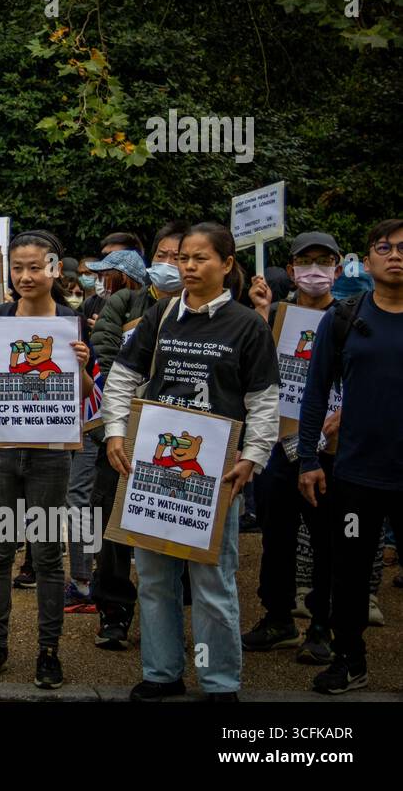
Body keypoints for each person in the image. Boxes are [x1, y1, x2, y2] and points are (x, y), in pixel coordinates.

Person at [103, 222, 279, 701]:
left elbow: (264, 401)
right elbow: (121, 378)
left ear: (227, 265)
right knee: (156, 579)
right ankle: (162, 673)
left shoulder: (248, 325)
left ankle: (219, 681)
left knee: (213, 581)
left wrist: (254, 458)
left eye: (201, 258)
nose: (190, 267)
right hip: (154, 467)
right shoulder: (160, 317)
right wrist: (116, 433)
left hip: (216, 473)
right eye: (184, 258)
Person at [0, 230, 94, 689]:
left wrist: (80, 365)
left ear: (55, 270)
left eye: (35, 267)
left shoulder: (72, 323)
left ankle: (48, 650)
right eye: (17, 268)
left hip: (51, 455)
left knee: (45, 556)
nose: (25, 276)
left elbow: (83, 397)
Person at [300, 219, 403, 694]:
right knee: (350, 571)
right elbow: (315, 393)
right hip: (356, 474)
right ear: (368, 257)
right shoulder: (342, 317)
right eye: (385, 246)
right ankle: (349, 659)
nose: (395, 255)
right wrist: (308, 460)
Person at [241, 231, 343, 664]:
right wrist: (262, 316)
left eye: (324, 262)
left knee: (327, 539)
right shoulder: (278, 314)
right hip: (279, 446)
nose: (315, 271)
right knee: (276, 535)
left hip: (331, 448)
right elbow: (258, 373)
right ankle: (278, 616)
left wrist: (343, 418)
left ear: (338, 270)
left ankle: (322, 627)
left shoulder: (351, 318)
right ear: (292, 270)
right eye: (306, 262)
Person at [86, 221, 189, 644]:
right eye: (162, 256)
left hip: (180, 436)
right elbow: (107, 354)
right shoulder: (126, 301)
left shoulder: (207, 311)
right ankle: (114, 610)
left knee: (176, 524)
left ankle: (173, 614)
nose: (169, 264)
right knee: (112, 520)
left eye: (179, 257)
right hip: (123, 431)